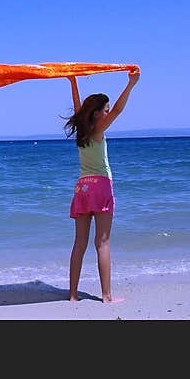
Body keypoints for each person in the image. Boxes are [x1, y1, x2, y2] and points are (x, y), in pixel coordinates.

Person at [63, 69, 140, 303]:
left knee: (79, 244)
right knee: (102, 243)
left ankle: (73, 295)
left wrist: (73, 81)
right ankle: (106, 296)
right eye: (104, 111)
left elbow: (78, 107)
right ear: (97, 114)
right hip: (101, 186)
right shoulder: (97, 130)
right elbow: (117, 109)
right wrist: (131, 85)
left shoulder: (82, 130)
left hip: (82, 188)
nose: (108, 114)